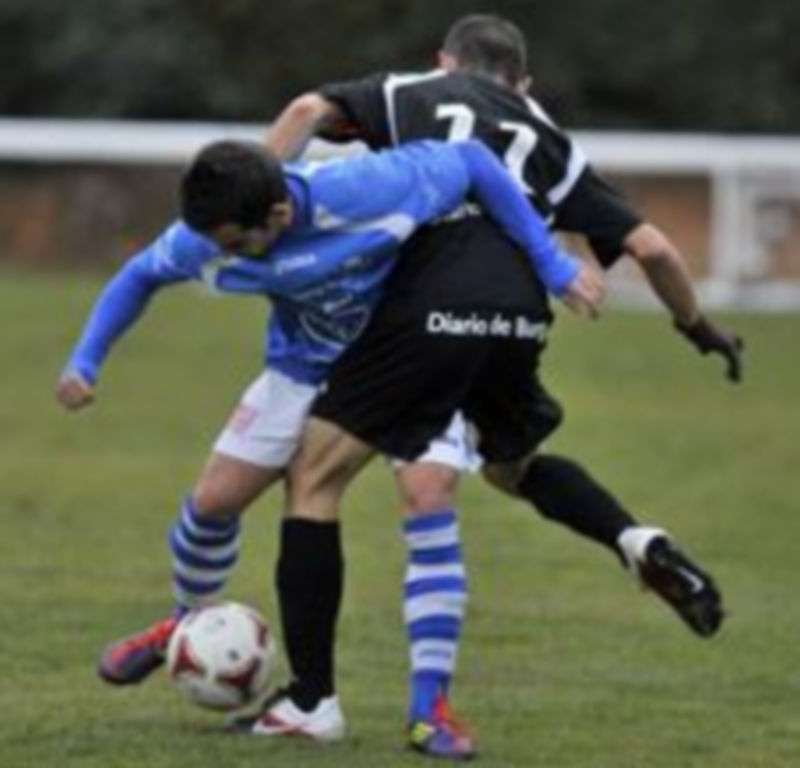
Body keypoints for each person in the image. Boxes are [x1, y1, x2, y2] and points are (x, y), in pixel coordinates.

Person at [244, 12, 740, 758]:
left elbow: (307, 112)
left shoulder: (413, 89)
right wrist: (699, 328)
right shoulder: (549, 137)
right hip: (517, 315)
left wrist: (257, 203)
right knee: (512, 467)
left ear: (446, 60)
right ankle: (633, 538)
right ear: (524, 82)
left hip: (425, 305)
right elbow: (653, 247)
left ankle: (314, 700)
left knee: (314, 478)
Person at [56, 137, 601, 744]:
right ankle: (185, 626)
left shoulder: (368, 189)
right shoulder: (204, 236)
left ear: (281, 214)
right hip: (299, 370)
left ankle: (430, 712)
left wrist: (552, 264)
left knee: (429, 495)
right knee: (212, 502)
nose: (221, 256)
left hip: (403, 364)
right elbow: (140, 275)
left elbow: (473, 159)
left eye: (236, 244)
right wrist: (86, 361)